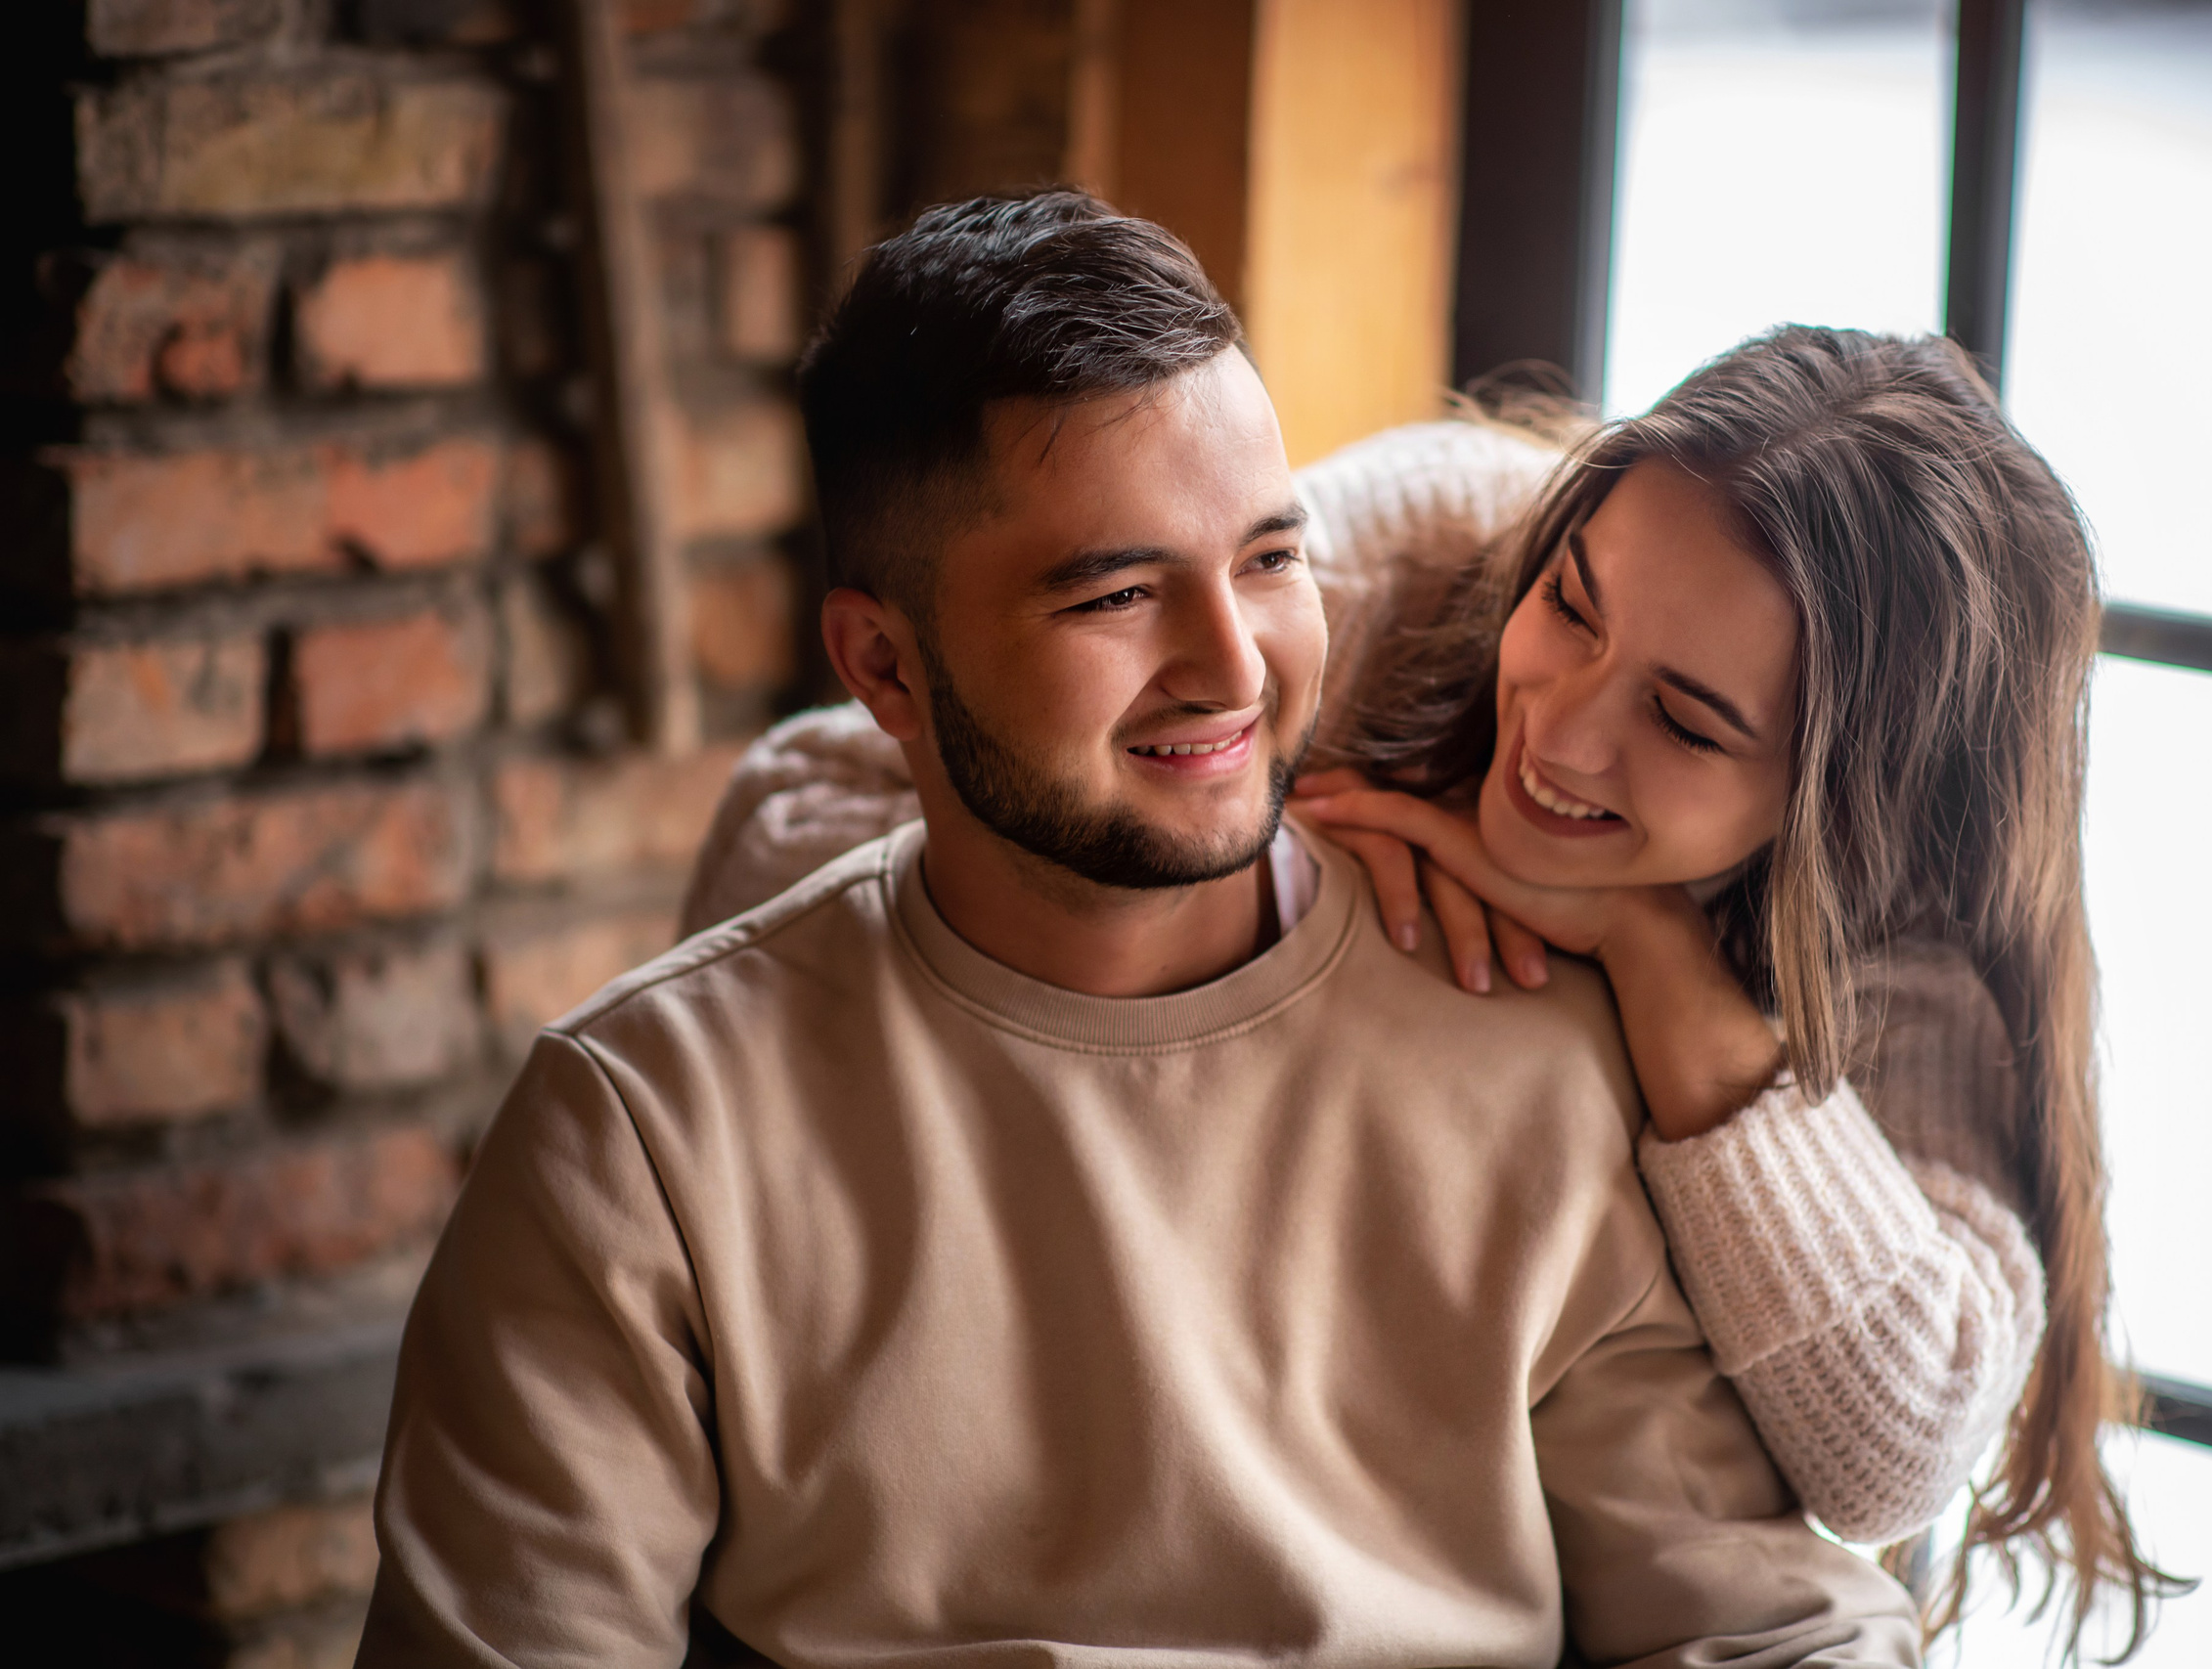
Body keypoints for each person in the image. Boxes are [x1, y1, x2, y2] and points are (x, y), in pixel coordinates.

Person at [354, 192, 1917, 1666]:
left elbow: (1762, 1625)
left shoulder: (1531, 1035)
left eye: (1272, 561)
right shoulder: (636, 1140)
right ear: (884, 672)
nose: (1232, 669)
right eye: (1115, 598)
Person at [678, 330, 2174, 1657]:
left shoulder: (1902, 918)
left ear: (1853, 802)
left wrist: (1657, 967)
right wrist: (1250, 867)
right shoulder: (1402, 569)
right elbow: (789, 815)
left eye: (1688, 723)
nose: (1563, 734)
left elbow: (1900, 1448)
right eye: (1575, 608)